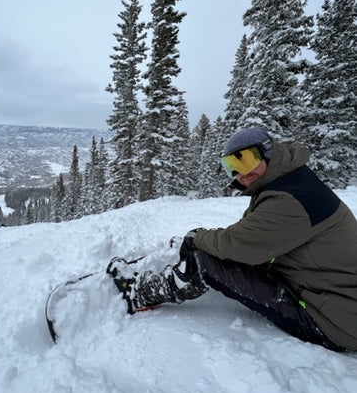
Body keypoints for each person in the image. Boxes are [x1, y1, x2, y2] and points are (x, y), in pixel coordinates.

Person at [107, 127, 357, 352]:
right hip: (329, 296)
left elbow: (238, 244)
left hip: (331, 319)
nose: (240, 173)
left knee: (205, 263)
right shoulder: (289, 181)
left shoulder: (289, 199)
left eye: (247, 159)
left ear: (268, 153)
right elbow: (249, 235)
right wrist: (203, 238)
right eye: (232, 165)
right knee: (216, 249)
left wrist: (198, 239)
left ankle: (138, 295)